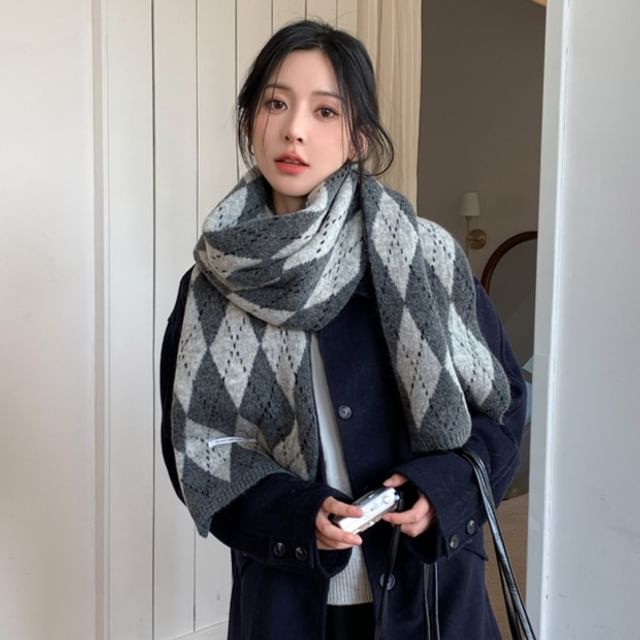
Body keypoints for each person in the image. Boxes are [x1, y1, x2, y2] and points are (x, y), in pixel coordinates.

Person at [160, 19, 526, 640]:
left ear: (357, 138)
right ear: (250, 119)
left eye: (325, 111)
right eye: (276, 103)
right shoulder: (210, 289)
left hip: (429, 598)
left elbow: (505, 406)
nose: (294, 129)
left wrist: (442, 489)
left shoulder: (426, 258)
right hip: (288, 604)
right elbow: (197, 451)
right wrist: (293, 516)